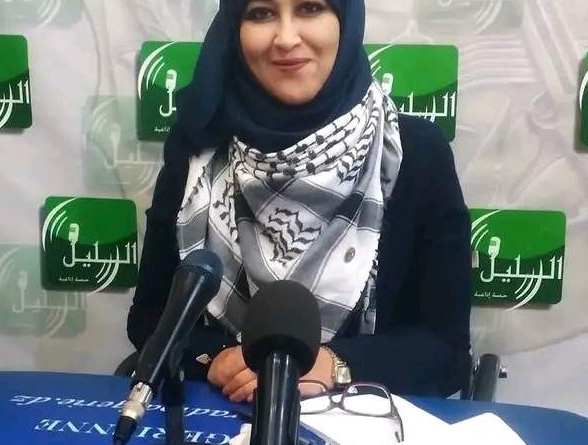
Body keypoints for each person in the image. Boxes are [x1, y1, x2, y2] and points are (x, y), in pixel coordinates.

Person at [127, 0, 471, 403]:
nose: (286, 38)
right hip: (223, 409)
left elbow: (446, 351)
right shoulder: (200, 147)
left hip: (362, 414)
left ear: (345, 21)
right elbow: (149, 320)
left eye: (310, 8)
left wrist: (336, 365)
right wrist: (215, 359)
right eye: (261, 13)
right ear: (234, 28)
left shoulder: (412, 152)